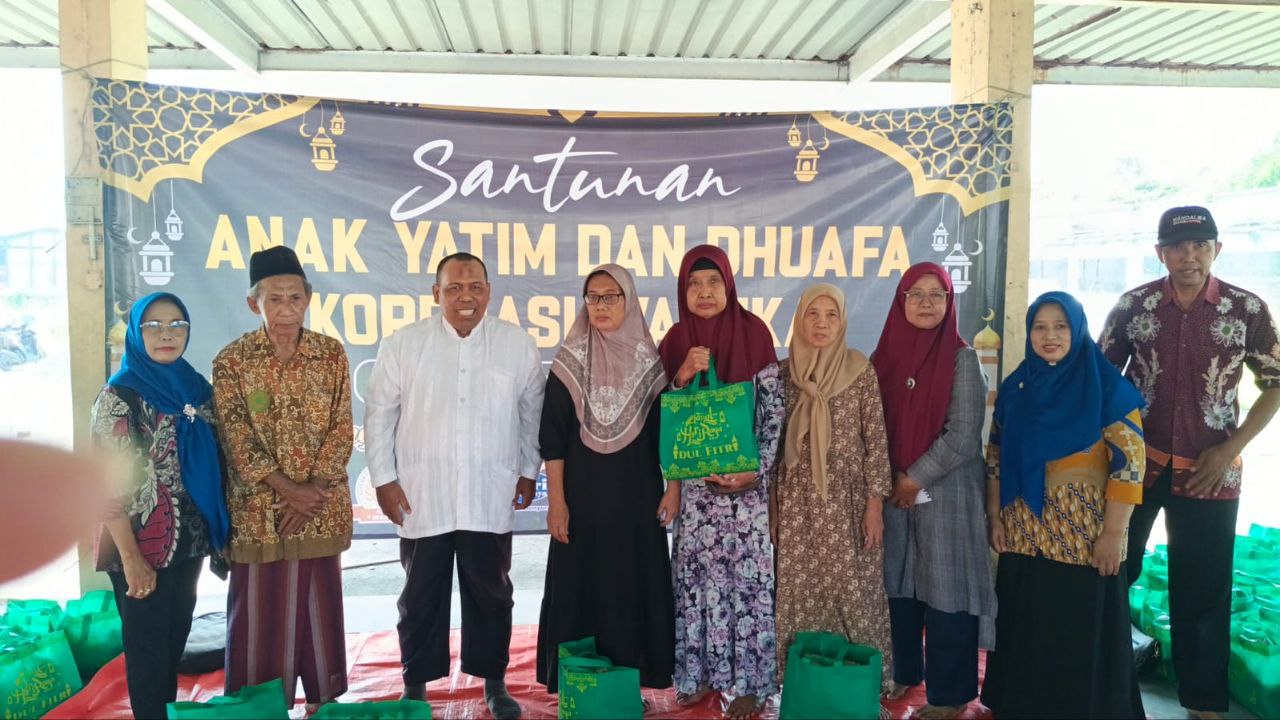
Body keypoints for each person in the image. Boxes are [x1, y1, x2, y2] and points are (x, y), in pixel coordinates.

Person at [1099, 206, 1280, 720]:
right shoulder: (1133, 307)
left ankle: (1203, 704)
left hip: (1211, 472)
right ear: (1160, 253)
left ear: (1217, 249)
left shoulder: (1247, 310)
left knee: (1203, 589)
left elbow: (1276, 383)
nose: (1190, 256)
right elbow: (1099, 379)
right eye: (1178, 246)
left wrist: (1231, 447)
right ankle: (1104, 683)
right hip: (1136, 468)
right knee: (1113, 571)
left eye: (1201, 245)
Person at [364, 252, 543, 720]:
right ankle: (415, 685)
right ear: (436, 293)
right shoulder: (404, 345)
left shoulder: (516, 345)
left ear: (489, 291)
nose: (466, 297)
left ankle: (494, 682)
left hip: (489, 491)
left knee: (492, 593)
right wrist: (384, 480)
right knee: (419, 594)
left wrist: (529, 470)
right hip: (424, 494)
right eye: (455, 288)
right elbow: (379, 416)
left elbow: (532, 414)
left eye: (475, 287)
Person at [981, 291, 1146, 719]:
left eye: (1060, 326)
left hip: (1084, 540)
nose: (1049, 336)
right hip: (1023, 536)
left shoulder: (1107, 389)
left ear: (1078, 330)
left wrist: (1113, 534)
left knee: (1075, 631)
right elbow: (995, 456)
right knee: (1026, 625)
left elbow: (1130, 468)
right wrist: (994, 515)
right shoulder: (1017, 387)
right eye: (1040, 327)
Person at [212, 246, 354, 712]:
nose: (286, 308)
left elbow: (341, 428)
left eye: (295, 297)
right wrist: (291, 492)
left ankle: (322, 701)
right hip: (260, 510)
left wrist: (312, 492)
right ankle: (260, 705)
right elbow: (235, 436)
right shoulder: (232, 361)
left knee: (318, 604)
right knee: (259, 611)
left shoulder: (330, 354)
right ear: (254, 304)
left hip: (319, 507)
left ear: (309, 299)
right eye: (274, 298)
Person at [536, 264, 678, 697]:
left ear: (628, 301)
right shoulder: (568, 363)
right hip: (581, 502)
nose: (600, 305)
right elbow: (552, 438)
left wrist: (673, 488)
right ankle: (581, 687)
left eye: (610, 296)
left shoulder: (650, 365)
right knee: (580, 586)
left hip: (636, 502)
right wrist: (556, 502)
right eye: (593, 296)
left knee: (630, 587)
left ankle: (627, 687)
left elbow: (667, 436)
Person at [657, 244, 784, 720]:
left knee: (747, 586)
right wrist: (682, 374)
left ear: (728, 285)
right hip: (696, 494)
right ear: (682, 291)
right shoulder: (675, 340)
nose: (704, 292)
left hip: (746, 493)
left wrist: (756, 470)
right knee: (695, 585)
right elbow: (664, 422)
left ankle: (750, 686)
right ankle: (698, 675)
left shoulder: (754, 333)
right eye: (694, 284)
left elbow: (774, 411)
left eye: (713, 282)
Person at [89, 292, 230, 720]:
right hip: (139, 544)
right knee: (148, 649)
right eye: (153, 325)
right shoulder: (120, 396)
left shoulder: (195, 388)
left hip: (189, 542)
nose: (166, 334)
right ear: (136, 333)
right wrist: (131, 560)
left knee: (174, 638)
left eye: (176, 324)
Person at [870, 263, 996, 719]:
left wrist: (913, 479)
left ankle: (949, 694)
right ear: (900, 300)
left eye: (936, 295)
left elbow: (962, 435)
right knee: (897, 588)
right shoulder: (882, 359)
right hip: (892, 493)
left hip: (946, 494)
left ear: (949, 302)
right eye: (916, 294)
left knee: (947, 593)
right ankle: (904, 670)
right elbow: (870, 427)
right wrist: (887, 480)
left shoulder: (962, 359)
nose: (926, 303)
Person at [773, 284, 892, 685]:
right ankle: (806, 687)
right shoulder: (784, 374)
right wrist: (774, 509)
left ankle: (861, 688)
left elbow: (876, 442)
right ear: (799, 319)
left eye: (831, 315)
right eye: (813, 314)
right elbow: (774, 447)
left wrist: (874, 505)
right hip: (798, 505)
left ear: (842, 322)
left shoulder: (860, 370)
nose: (821, 323)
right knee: (800, 595)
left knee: (853, 594)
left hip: (848, 504)